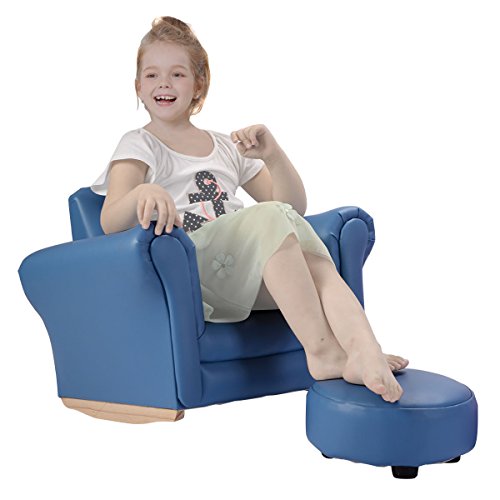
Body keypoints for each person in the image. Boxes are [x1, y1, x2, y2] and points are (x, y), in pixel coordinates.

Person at [90, 16, 409, 403]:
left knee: (314, 263)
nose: (164, 84)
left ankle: (363, 350)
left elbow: (292, 208)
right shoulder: (139, 144)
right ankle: (323, 352)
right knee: (270, 216)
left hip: (243, 272)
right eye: (152, 75)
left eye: (177, 74)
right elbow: (110, 221)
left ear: (198, 85)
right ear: (138, 86)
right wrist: (143, 193)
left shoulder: (226, 147)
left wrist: (273, 155)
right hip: (196, 271)